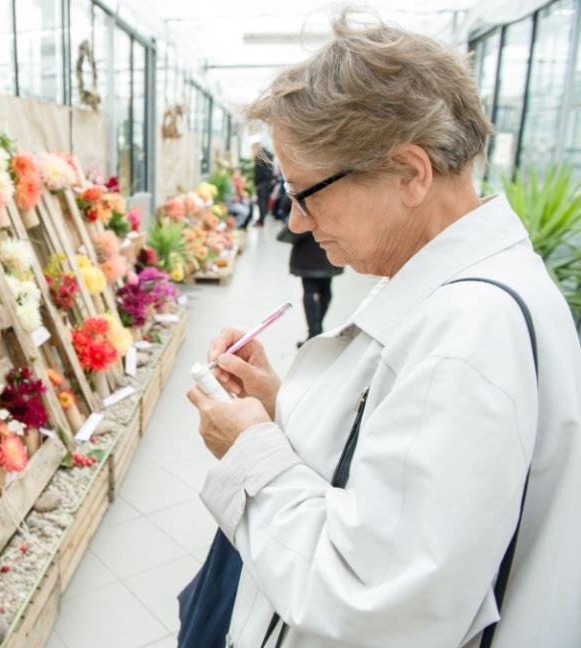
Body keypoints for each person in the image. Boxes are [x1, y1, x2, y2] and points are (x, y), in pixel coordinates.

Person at [184, 15, 581, 648]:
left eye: (305, 192)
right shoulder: (467, 294)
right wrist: (278, 403)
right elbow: (391, 466)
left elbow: (374, 600)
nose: (298, 221)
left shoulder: (470, 337)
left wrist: (249, 453)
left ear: (410, 173)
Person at [280, 226, 343, 345]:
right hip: (328, 250)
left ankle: (314, 331)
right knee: (326, 289)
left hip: (308, 250)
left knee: (310, 291)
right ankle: (316, 329)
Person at [251, 144, 275, 227]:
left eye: (253, 149)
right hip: (266, 183)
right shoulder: (266, 154)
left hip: (262, 184)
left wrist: (257, 184)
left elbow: (259, 172)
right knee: (263, 201)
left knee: (262, 202)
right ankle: (261, 219)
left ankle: (261, 222)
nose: (253, 152)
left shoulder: (261, 156)